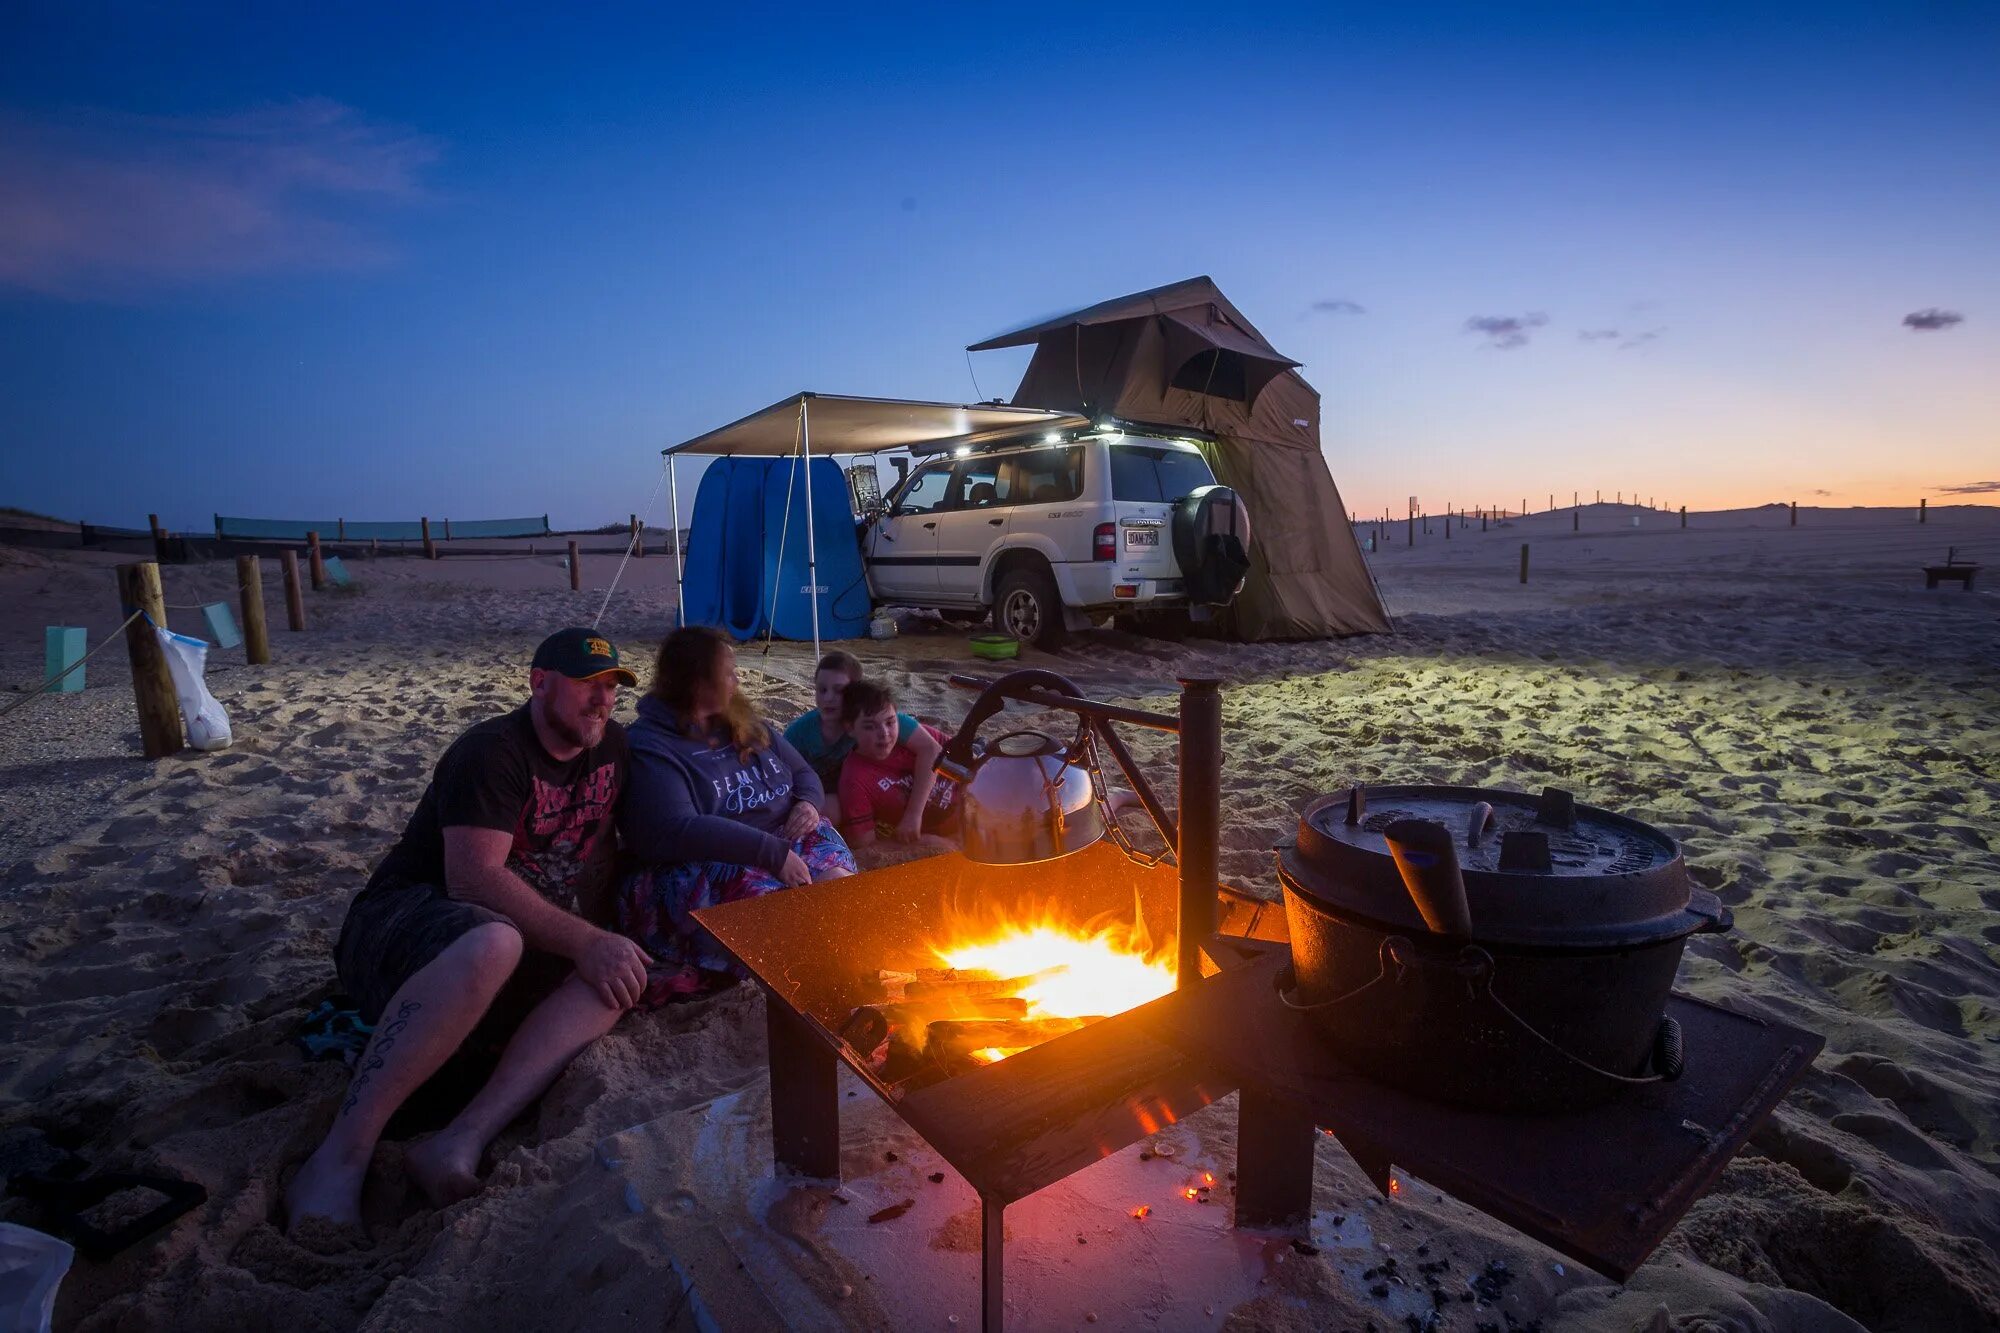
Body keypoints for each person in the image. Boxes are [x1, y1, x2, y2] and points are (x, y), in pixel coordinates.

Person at [287, 628, 648, 1232]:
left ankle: (459, 1140)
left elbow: (607, 849)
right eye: (588, 684)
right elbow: (473, 878)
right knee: (497, 939)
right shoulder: (492, 752)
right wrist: (585, 939)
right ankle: (338, 1157)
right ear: (539, 683)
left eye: (612, 686)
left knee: (616, 974)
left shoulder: (612, 748)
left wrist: (602, 938)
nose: (603, 700)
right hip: (404, 926)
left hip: (509, 937)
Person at [616, 626, 856, 1002]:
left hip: (786, 839)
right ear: (697, 684)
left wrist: (807, 803)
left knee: (839, 889)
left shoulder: (745, 724)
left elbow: (803, 774)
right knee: (788, 920)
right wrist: (772, 854)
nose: (737, 678)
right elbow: (679, 829)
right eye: (727, 671)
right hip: (714, 862)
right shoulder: (652, 745)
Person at [782, 649, 942, 835]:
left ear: (855, 692)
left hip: (861, 788)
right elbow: (778, 774)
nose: (828, 698)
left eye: (838, 690)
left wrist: (914, 814)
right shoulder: (800, 732)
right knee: (830, 811)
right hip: (818, 794)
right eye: (822, 690)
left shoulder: (876, 718)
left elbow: (931, 748)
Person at [837, 679, 960, 847]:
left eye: (890, 722)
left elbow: (968, 760)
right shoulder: (855, 780)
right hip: (950, 833)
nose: (884, 733)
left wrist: (913, 814)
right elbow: (865, 843)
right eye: (870, 726)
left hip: (977, 804)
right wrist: (927, 842)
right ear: (850, 728)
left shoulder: (917, 739)